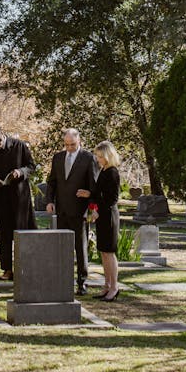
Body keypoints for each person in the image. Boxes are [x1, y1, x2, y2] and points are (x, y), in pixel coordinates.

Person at [0, 123, 37, 280]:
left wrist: (20, 172)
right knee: (4, 234)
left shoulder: (19, 146)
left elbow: (31, 166)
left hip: (21, 198)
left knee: (23, 232)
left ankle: (26, 267)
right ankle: (7, 269)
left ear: (2, 135)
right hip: (2, 198)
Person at [45, 128, 98, 295]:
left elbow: (93, 186)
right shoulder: (58, 158)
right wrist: (49, 201)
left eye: (72, 144)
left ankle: (82, 282)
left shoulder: (88, 158)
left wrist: (92, 208)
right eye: (66, 144)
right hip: (61, 210)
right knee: (62, 247)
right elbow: (52, 182)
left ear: (79, 141)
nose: (69, 148)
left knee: (80, 248)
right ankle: (63, 279)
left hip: (79, 210)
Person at [78, 140, 121, 301]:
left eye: (100, 156)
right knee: (103, 251)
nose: (98, 159)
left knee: (109, 253)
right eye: (97, 156)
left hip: (109, 216)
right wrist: (89, 196)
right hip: (102, 215)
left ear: (108, 156)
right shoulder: (104, 170)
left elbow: (111, 199)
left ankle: (114, 286)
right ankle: (107, 285)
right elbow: (98, 193)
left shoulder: (113, 172)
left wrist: (98, 211)